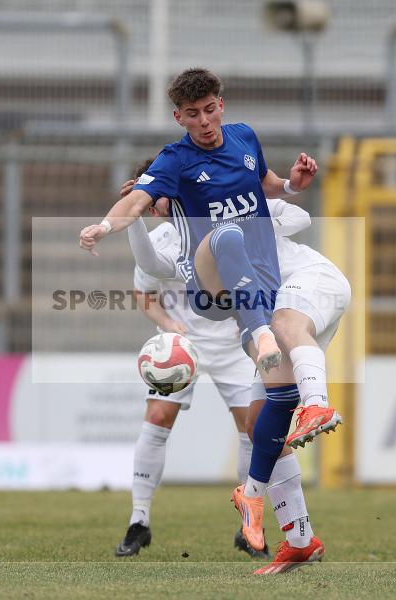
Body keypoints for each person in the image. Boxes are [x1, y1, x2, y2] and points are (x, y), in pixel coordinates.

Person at [78, 68, 327, 568]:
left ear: (221, 104)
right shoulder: (175, 170)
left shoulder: (244, 138)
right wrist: (108, 224)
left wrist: (293, 186)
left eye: (210, 108)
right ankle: (139, 520)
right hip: (196, 330)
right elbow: (144, 256)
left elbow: (271, 185)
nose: (205, 121)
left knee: (259, 428)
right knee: (159, 417)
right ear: (179, 118)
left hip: (243, 319)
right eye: (192, 114)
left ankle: (274, 528)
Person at [125, 168, 350, 573]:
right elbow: (150, 272)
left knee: (283, 328)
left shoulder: (224, 214)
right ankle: (299, 538)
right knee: (261, 421)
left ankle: (316, 405)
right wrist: (134, 220)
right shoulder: (178, 250)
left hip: (299, 290)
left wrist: (265, 210)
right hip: (243, 329)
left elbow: (296, 220)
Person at [115, 161, 264, 559]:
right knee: (158, 418)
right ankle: (139, 520)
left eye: (158, 193)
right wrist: (169, 323)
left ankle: (249, 525)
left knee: (251, 427)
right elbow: (143, 292)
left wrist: (247, 319)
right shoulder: (159, 241)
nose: (155, 204)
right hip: (181, 346)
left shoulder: (217, 227)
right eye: (148, 201)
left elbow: (254, 277)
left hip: (232, 343)